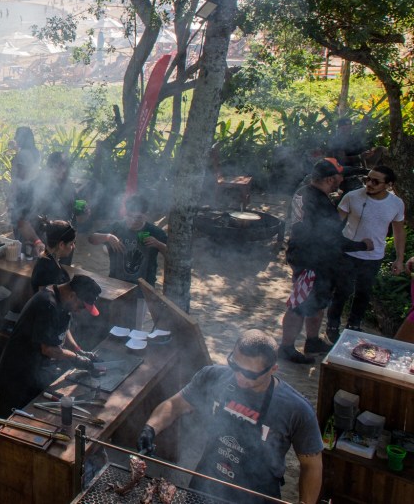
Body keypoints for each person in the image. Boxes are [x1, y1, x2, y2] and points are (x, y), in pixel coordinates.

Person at [137, 330, 323, 504]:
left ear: (272, 369)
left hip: (257, 496)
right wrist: (150, 428)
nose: (239, 377)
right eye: (234, 365)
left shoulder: (296, 409)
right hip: (206, 483)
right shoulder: (212, 377)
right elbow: (175, 405)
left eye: (249, 374)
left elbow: (312, 465)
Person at [279, 158, 371, 363]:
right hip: (310, 261)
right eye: (340, 176)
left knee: (318, 303)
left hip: (312, 258)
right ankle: (286, 347)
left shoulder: (305, 191)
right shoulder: (320, 203)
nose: (342, 179)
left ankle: (312, 341)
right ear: (330, 179)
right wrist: (362, 245)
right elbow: (333, 239)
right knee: (298, 305)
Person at [0, 274, 102, 418]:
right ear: (72, 295)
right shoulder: (47, 304)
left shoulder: (62, 299)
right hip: (18, 373)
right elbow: (48, 349)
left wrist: (79, 350)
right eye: (81, 306)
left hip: (36, 370)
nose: (79, 311)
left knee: (31, 417)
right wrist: (76, 358)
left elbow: (63, 329)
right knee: (9, 422)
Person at [326, 165, 405, 341]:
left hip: (374, 256)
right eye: (367, 179)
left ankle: (353, 326)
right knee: (341, 291)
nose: (369, 184)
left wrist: (399, 259)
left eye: (375, 181)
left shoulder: (396, 204)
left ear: (389, 185)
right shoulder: (352, 196)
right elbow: (334, 225)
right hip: (348, 253)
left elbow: (399, 231)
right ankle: (332, 326)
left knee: (363, 293)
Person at [15, 152, 90, 263]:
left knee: (61, 273)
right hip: (40, 245)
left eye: (64, 166)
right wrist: (37, 242)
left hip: (64, 248)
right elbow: (21, 222)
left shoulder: (68, 186)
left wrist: (85, 214)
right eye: (56, 167)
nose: (61, 170)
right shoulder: (34, 187)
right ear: (48, 167)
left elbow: (78, 218)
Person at [88, 195, 168, 286]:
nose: (133, 221)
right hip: (117, 282)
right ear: (126, 213)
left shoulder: (154, 231)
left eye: (138, 217)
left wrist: (158, 244)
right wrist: (108, 237)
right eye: (130, 216)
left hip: (144, 285)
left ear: (146, 215)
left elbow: (172, 257)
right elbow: (91, 239)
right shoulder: (117, 227)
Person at [30, 220, 76, 293]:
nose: (73, 247)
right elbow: (44, 297)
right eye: (71, 244)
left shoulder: (49, 260)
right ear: (61, 245)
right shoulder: (46, 270)